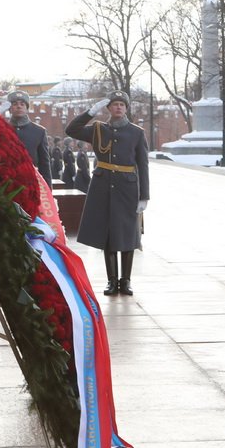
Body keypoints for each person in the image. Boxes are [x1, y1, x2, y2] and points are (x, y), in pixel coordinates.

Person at [66, 91, 149, 296]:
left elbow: (143, 165)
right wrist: (90, 112)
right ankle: (112, 281)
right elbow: (71, 129)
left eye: (122, 104)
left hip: (127, 188)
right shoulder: (98, 129)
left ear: (126, 108)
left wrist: (144, 196)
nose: (118, 107)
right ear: (108, 108)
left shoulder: (136, 132)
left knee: (128, 234)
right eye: (114, 104)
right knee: (108, 234)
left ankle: (125, 281)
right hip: (102, 187)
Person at [0, 91, 52, 181]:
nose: (19, 106)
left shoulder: (39, 131)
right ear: (10, 109)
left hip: (31, 181)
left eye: (22, 104)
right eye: (15, 104)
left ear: (27, 108)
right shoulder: (2, 129)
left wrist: (48, 188)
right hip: (7, 182)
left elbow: (44, 164)